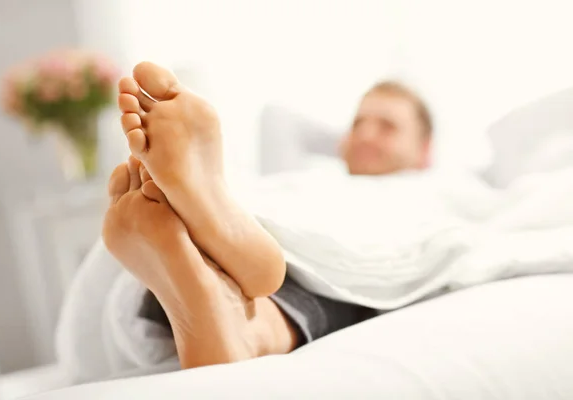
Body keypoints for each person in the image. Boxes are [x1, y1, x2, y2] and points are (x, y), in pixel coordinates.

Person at [102, 62, 432, 370]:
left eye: (387, 127)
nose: (366, 133)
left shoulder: (437, 190)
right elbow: (278, 117)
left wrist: (364, 145)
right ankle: (226, 294)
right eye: (358, 123)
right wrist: (360, 145)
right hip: (272, 236)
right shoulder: (303, 184)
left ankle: (229, 308)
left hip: (336, 260)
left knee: (350, 275)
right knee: (318, 261)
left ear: (425, 149)